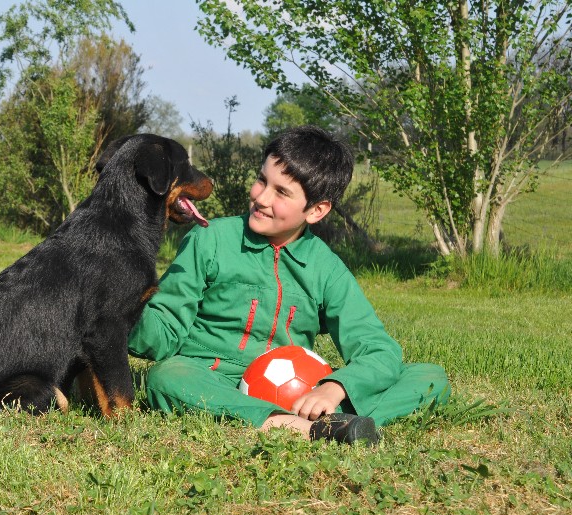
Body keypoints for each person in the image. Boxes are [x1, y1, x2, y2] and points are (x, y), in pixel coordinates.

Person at [127, 125, 450, 445]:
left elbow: (378, 349)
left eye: (281, 192)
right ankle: (307, 427)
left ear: (317, 210)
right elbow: (164, 332)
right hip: (213, 379)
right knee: (165, 377)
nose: (261, 197)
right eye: (261, 180)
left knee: (429, 377)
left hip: (302, 393)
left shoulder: (326, 268)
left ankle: (318, 417)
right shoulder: (209, 239)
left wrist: (334, 387)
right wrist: (123, 299)